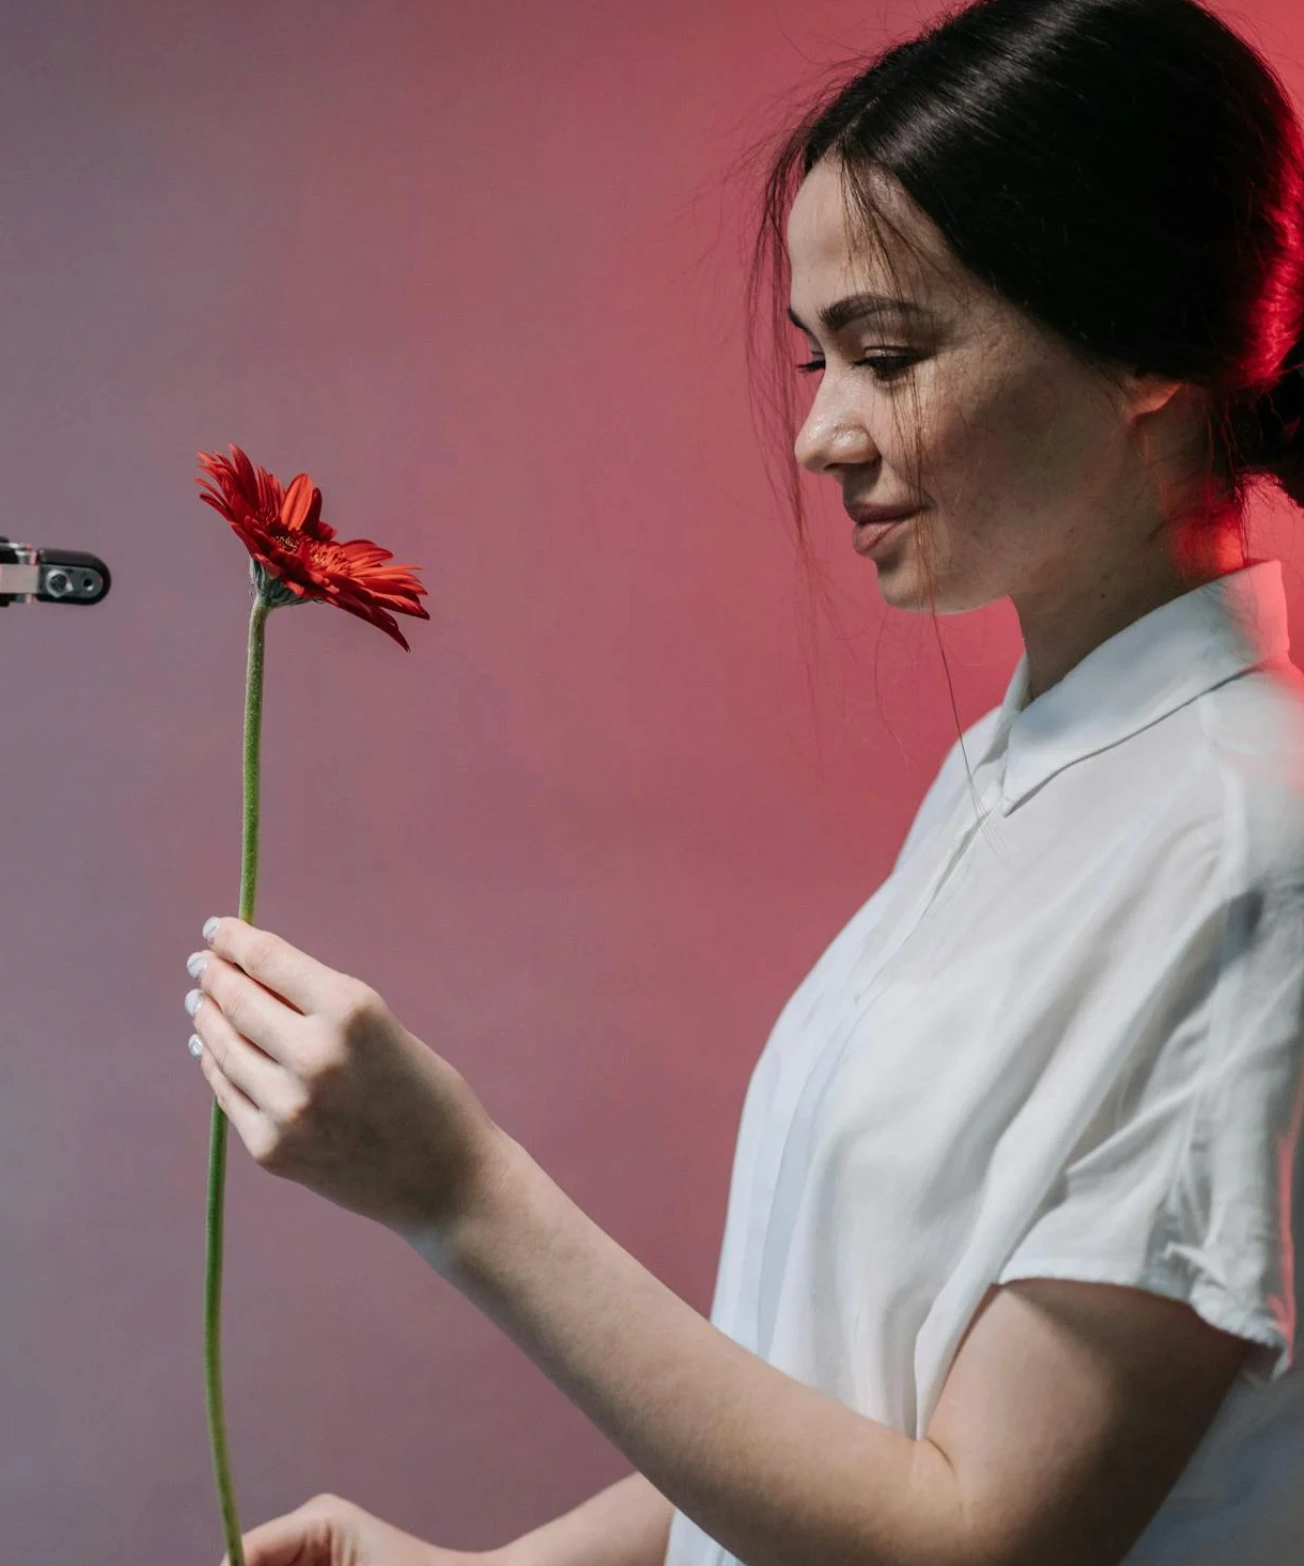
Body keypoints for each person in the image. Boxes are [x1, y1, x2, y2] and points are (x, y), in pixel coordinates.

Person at [181, 1, 1304, 1561]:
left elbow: (972, 1537)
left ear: (1144, 356)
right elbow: (842, 1391)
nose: (821, 436)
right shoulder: (1023, 768)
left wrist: (460, 1190)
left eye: (888, 354)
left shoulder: (1253, 848)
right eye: (815, 355)